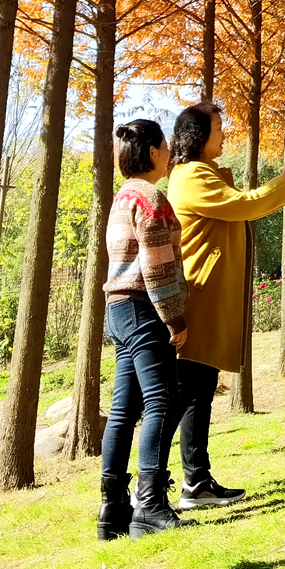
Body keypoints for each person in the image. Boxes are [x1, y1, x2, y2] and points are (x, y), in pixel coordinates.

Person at [165, 98, 285, 509]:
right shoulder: (192, 175)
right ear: (199, 136)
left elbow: (238, 203)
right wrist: (284, 179)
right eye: (217, 128)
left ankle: (196, 483)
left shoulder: (201, 172)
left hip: (205, 298)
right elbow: (243, 205)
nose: (223, 133)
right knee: (184, 395)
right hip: (198, 298)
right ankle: (152, 489)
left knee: (197, 392)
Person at [98, 117, 190, 539]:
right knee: (163, 400)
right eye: (166, 147)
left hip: (118, 307)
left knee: (123, 410)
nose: (170, 153)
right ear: (152, 152)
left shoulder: (122, 197)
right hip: (143, 306)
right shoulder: (151, 197)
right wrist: (174, 317)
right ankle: (149, 503)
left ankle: (111, 509)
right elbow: (156, 265)